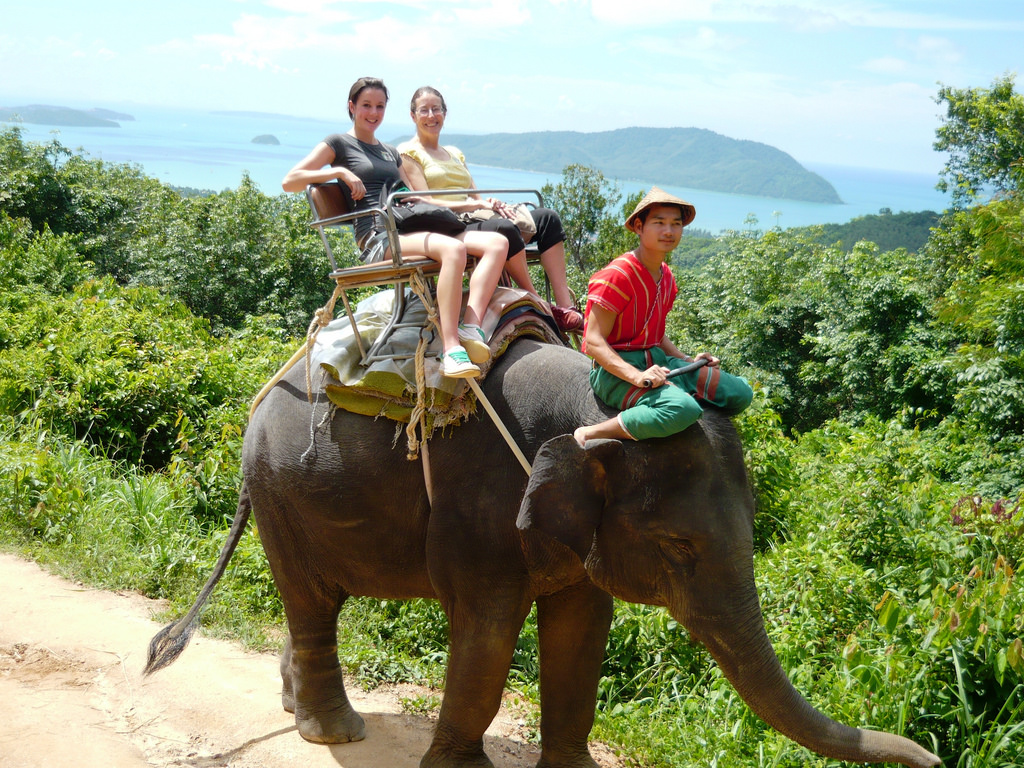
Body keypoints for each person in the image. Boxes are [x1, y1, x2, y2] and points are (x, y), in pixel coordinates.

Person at [282, 77, 509, 379]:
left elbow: (419, 198)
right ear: (352, 107)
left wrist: (473, 205)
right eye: (366, 105)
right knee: (454, 249)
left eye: (379, 106)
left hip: (406, 228)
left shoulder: (390, 151)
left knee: (496, 243)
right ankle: (451, 349)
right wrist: (339, 172)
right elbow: (290, 181)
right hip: (378, 237)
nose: (373, 113)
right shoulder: (339, 144)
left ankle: (469, 327)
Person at [573, 187, 753, 446]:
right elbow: (594, 342)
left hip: (658, 362)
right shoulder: (616, 276)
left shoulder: (666, 277)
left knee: (740, 393)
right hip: (615, 371)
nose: (668, 231)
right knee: (683, 409)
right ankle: (591, 432)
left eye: (675, 224)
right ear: (638, 226)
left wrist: (688, 360)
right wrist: (636, 376)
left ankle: (676, 394)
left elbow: (655, 335)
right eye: (659, 223)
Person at [397, 86, 583, 333]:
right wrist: (476, 204)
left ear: (444, 112)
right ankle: (538, 302)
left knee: (547, 218)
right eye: (424, 110)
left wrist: (490, 204)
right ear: (413, 116)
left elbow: (475, 195)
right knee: (503, 229)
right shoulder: (408, 153)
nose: (431, 115)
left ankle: (565, 306)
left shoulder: (454, 154)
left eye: (436, 109)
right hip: (447, 223)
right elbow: (425, 201)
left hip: (473, 214)